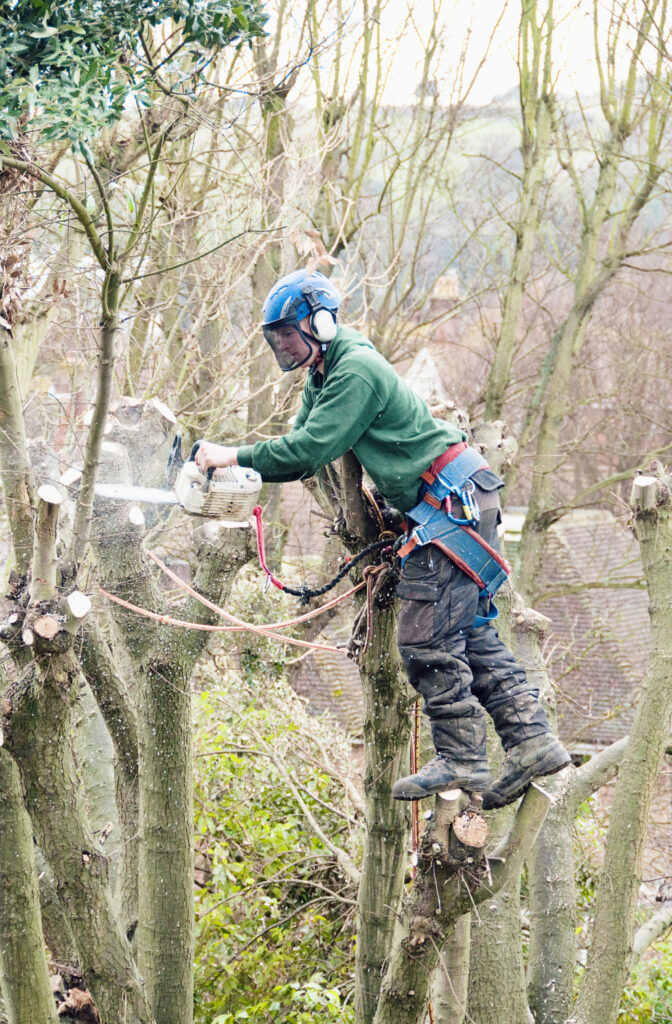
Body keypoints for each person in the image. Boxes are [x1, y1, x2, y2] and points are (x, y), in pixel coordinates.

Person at [195, 268, 571, 808]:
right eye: (276, 337)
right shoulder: (324, 375)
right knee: (469, 635)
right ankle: (532, 741)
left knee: (424, 638)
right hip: (453, 501)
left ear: (320, 323)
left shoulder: (358, 369)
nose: (284, 345)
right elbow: (301, 444)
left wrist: (231, 454)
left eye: (289, 332)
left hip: (452, 502)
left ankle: (463, 757)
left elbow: (309, 450)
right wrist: (243, 473)